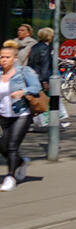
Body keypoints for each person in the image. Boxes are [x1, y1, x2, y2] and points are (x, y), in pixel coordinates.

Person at [0, 41, 41, 191]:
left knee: (12, 146)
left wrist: (22, 92)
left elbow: (36, 87)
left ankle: (10, 177)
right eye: (2, 57)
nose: (4, 60)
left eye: (7, 57)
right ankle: (22, 162)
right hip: (4, 115)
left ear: (15, 58)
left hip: (21, 114)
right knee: (3, 147)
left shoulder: (24, 71)